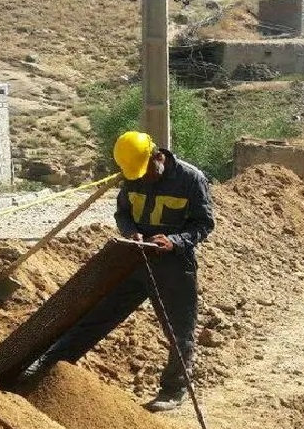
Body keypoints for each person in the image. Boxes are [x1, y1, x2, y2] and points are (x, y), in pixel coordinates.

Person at [21, 131, 215, 412]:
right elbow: (123, 213)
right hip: (133, 260)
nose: (142, 179)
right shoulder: (132, 175)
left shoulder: (190, 179)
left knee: (179, 332)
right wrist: (131, 231)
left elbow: (204, 224)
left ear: (158, 156)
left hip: (173, 265)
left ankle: (174, 389)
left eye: (147, 171)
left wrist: (173, 241)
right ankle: (49, 365)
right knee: (97, 316)